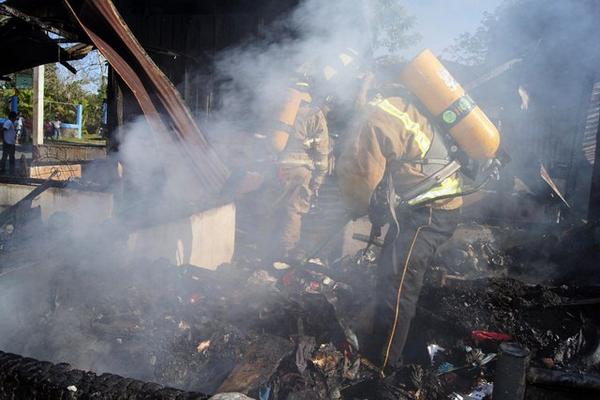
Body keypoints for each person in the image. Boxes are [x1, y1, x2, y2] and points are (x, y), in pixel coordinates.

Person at [336, 84, 462, 372]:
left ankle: (380, 366)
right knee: (390, 272)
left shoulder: (373, 117)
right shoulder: (399, 107)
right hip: (431, 206)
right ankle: (402, 344)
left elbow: (361, 173)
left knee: (396, 287)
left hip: (429, 213)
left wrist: (356, 207)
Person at [265, 100, 330, 263]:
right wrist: (319, 177)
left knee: (272, 207)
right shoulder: (314, 114)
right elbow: (321, 151)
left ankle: (264, 249)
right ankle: (285, 254)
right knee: (294, 211)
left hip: (280, 167)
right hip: (302, 169)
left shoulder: (284, 107)